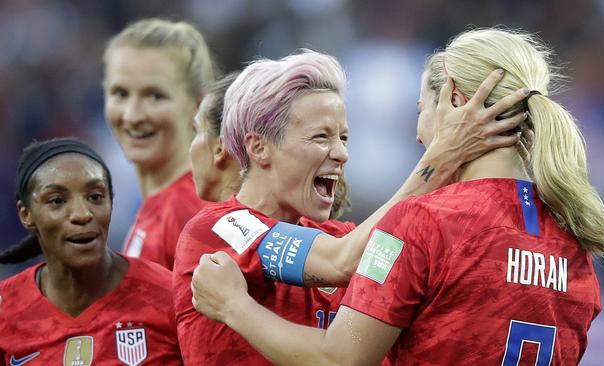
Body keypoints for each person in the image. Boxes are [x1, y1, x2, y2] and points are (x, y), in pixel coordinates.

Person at [190, 28, 604, 365]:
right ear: (256, 147)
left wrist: (234, 305)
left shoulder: (420, 224)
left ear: (456, 102)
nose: (419, 134)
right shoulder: (575, 241)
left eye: (420, 111)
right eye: (322, 137)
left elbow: (339, 354)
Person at [176, 48, 530, 364]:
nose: (342, 153)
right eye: (321, 136)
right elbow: (339, 261)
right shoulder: (217, 229)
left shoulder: (345, 235)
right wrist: (444, 157)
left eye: (344, 137)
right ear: (259, 148)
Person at [0, 138, 181, 365]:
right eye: (57, 201)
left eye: (95, 197)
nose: (82, 213)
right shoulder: (5, 308)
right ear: (26, 215)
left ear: (111, 203)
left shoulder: (169, 295)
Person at [103, 18, 217, 269]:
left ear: (199, 105)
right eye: (120, 93)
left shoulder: (188, 212)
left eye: (155, 96)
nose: (132, 115)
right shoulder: (162, 207)